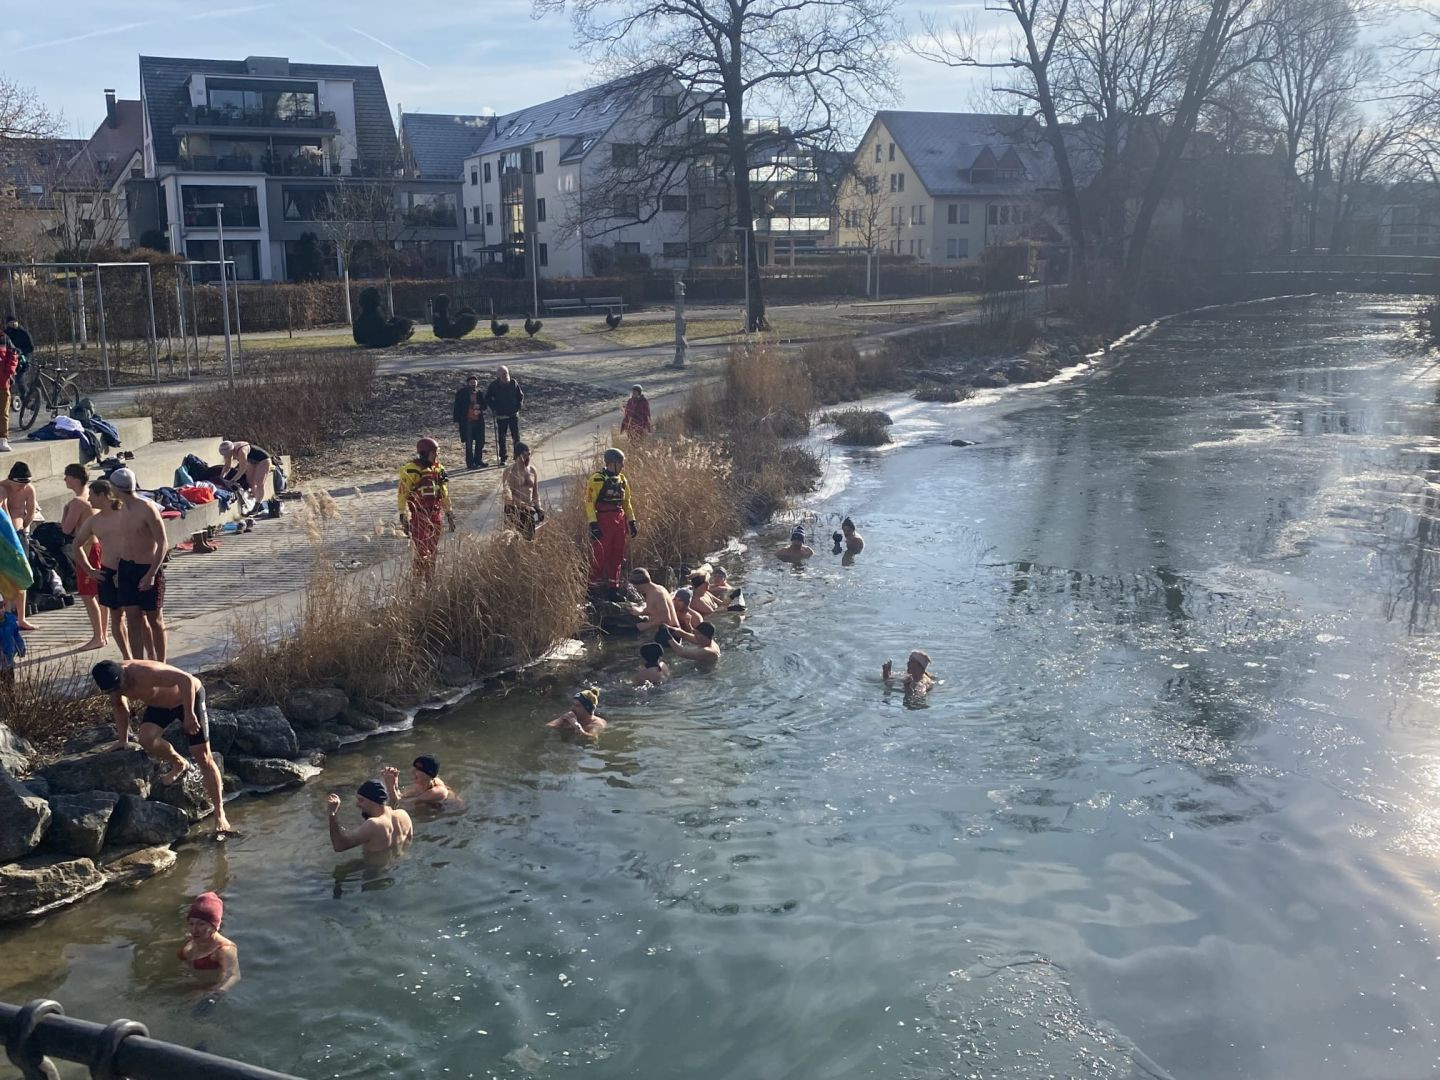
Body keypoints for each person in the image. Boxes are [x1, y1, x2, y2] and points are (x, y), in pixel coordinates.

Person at [91, 659, 234, 838]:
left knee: (202, 756)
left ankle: (220, 813)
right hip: (159, 706)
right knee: (146, 739)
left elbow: (185, 679)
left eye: (121, 685)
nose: (121, 689)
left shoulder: (145, 672)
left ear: (123, 673)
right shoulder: (112, 684)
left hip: (187, 698)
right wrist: (123, 740)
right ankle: (179, 763)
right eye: (115, 689)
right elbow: (119, 706)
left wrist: (189, 714)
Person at [80, 467, 167, 661]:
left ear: (115, 488)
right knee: (133, 618)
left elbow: (163, 543)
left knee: (154, 620)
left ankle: (161, 663)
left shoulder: (146, 508)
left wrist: (151, 574)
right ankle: (137, 663)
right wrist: (100, 570)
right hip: (127, 569)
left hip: (147, 568)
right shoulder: (118, 511)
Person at [73, 479, 131, 659]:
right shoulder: (93, 521)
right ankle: (128, 658)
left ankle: (149, 658)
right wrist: (89, 570)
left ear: (103, 495)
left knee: (139, 617)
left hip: (131, 568)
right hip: (109, 571)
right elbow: (76, 545)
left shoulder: (126, 514)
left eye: (92, 495)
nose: (89, 499)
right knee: (117, 618)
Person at [60, 464, 105, 650]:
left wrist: (65, 511)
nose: (65, 480)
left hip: (86, 548)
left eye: (67, 477)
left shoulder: (77, 503)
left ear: (75, 479)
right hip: (98, 545)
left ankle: (98, 636)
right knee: (100, 594)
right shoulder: (91, 495)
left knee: (88, 595)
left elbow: (66, 529)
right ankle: (102, 634)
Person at [398, 437, 456, 579]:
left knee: (433, 550)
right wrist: (403, 514)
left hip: (435, 514)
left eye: (437, 453)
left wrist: (449, 512)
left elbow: (444, 491)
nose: (436, 455)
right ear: (424, 453)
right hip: (419, 516)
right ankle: (417, 583)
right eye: (433, 453)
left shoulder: (440, 469)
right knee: (421, 551)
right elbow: (402, 494)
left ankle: (431, 581)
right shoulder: (410, 470)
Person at [586, 448, 637, 596]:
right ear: (611, 463)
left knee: (618, 554)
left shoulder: (622, 480)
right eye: (620, 463)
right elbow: (589, 503)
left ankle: (613, 587)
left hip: (619, 520)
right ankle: (592, 587)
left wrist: (632, 522)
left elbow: (627, 503)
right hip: (603, 520)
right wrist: (593, 524)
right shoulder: (597, 479)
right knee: (600, 554)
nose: (622, 466)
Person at [177, 891, 240, 1003]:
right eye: (191, 923)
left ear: (214, 926)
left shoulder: (225, 949)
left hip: (206, 992)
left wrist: (215, 996)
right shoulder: (193, 938)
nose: (194, 929)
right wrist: (152, 945)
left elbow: (234, 976)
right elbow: (172, 943)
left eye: (201, 924)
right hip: (185, 983)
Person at [326, 780, 413, 854]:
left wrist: (332, 814)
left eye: (361, 800)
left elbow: (339, 846)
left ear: (373, 800)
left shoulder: (373, 824)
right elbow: (409, 843)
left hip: (374, 868)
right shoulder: (403, 814)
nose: (357, 804)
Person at [0, 461, 37, 629]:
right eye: (20, 484)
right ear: (11, 480)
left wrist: (22, 528)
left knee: (22, 574)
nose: (23, 488)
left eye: (25, 484)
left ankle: (21, 618)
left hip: (19, 535)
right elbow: (4, 513)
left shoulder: (29, 489)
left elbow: (31, 512)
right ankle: (8, 615)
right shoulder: (2, 488)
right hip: (4, 538)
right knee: (5, 576)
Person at [217, 439, 277, 517]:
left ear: (231, 451)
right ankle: (256, 502)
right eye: (224, 455)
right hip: (251, 461)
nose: (226, 457)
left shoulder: (241, 451)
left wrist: (233, 480)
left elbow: (242, 469)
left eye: (227, 455)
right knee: (250, 482)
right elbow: (227, 466)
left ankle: (257, 506)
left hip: (263, 460)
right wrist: (221, 477)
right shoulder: (228, 451)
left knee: (259, 482)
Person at [485, 365, 525, 465]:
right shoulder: (494, 385)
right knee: (502, 438)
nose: (505, 376)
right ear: (498, 375)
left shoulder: (513, 383)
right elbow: (488, 397)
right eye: (502, 374)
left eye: (506, 373)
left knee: (516, 437)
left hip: (513, 414)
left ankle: (517, 456)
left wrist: (518, 406)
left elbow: (520, 396)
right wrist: (493, 407)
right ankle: (503, 458)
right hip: (501, 415)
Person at [502, 442, 543, 538]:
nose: (527, 458)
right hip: (514, 510)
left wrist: (539, 508)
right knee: (515, 539)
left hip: (529, 510)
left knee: (530, 538)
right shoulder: (509, 472)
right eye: (524, 455)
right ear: (517, 456)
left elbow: (535, 492)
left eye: (529, 454)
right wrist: (523, 505)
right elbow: (508, 496)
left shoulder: (532, 470)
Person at [381, 755, 453, 807]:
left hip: (451, 812)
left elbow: (399, 804)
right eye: (414, 769)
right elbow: (401, 798)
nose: (412, 772)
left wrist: (390, 786)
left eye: (417, 770)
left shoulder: (437, 792)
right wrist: (395, 781)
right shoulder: (422, 785)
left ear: (428, 775)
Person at [452, 374, 488, 469]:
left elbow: (485, 406)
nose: (473, 384)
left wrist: (479, 408)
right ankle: (470, 463)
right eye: (471, 382)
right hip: (467, 422)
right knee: (469, 443)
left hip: (479, 422)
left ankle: (478, 460)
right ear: (467, 383)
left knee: (480, 442)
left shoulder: (479, 393)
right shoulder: (462, 393)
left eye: (474, 382)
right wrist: (456, 421)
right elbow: (457, 407)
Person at [0, 328, 17, 454]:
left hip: (2, 382)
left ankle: (3, 439)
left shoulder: (4, 338)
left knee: (3, 411)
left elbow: (13, 355)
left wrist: (8, 372)